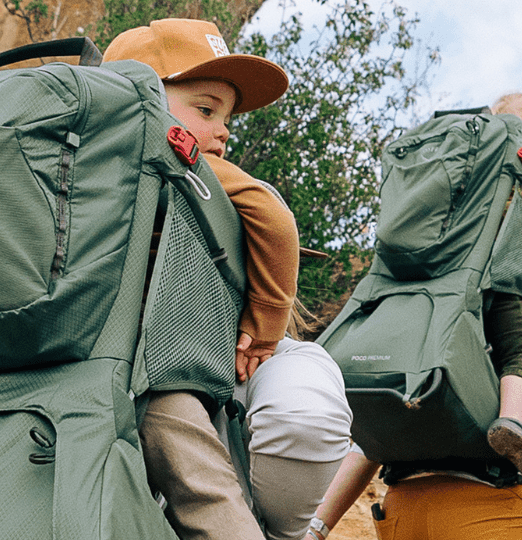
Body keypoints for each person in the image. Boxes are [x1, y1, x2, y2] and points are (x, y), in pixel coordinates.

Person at [304, 93, 522, 540]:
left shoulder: (429, 293)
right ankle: (512, 420)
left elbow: (378, 432)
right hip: (493, 508)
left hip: (403, 507)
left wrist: (318, 524)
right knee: (519, 358)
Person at [103, 19, 352, 540]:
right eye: (205, 109)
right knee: (199, 477)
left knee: (179, 451)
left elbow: (271, 214)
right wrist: (264, 325)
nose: (223, 132)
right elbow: (272, 215)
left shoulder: (95, 161)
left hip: (117, 360)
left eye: (226, 117)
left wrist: (263, 330)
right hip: (154, 360)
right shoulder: (162, 151)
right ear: (135, 100)